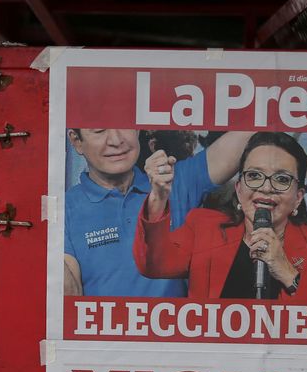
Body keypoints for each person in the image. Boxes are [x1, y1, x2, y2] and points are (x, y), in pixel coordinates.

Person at [133, 131, 307, 343]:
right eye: (254, 176)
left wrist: (288, 274)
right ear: (238, 189)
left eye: (282, 179)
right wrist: (159, 198)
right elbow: (154, 264)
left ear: (297, 198)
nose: (266, 188)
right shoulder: (204, 227)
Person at [63, 127, 252, 297]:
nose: (116, 140)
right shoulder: (64, 208)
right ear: (76, 141)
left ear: (138, 129)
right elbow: (69, 298)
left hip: (173, 332)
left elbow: (250, 131)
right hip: (102, 333)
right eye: (99, 130)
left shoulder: (175, 183)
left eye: (125, 125)